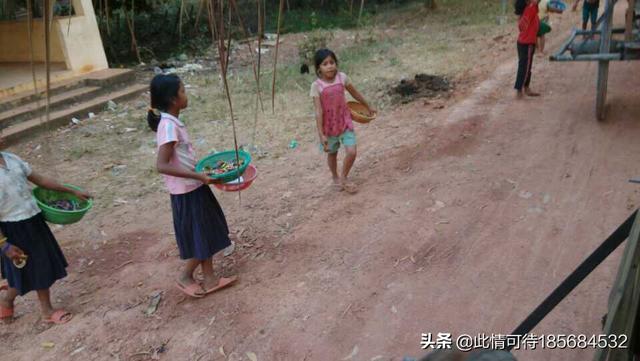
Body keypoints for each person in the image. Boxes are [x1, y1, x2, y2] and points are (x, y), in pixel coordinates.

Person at [147, 74, 237, 299]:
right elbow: (162, 165)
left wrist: (201, 173)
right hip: (187, 190)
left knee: (206, 231)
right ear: (173, 98)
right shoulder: (168, 126)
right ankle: (185, 275)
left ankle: (210, 278)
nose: (186, 95)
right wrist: (196, 175)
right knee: (203, 235)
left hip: (194, 185)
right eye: (183, 91)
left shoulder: (172, 123)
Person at [0, 136, 91, 324]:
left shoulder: (12, 159)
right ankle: (34, 308)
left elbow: (40, 180)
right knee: (22, 268)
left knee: (40, 265)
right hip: (11, 229)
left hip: (33, 221)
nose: (2, 138)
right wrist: (4, 245)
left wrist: (69, 190)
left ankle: (14, 303)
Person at [310, 48, 375, 193]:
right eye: (325, 63)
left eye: (332, 62)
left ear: (336, 63)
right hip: (329, 126)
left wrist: (367, 105)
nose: (330, 66)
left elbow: (355, 93)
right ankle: (335, 177)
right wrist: (321, 134)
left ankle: (344, 177)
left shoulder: (342, 78)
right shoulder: (316, 86)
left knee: (351, 152)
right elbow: (318, 111)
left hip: (345, 121)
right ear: (319, 68)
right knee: (332, 153)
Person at [514, 0, 541, 98]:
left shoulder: (528, 9)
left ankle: (525, 88)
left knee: (525, 67)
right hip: (527, 43)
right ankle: (520, 90)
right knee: (525, 68)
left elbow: (522, 26)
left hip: (523, 42)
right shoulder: (531, 8)